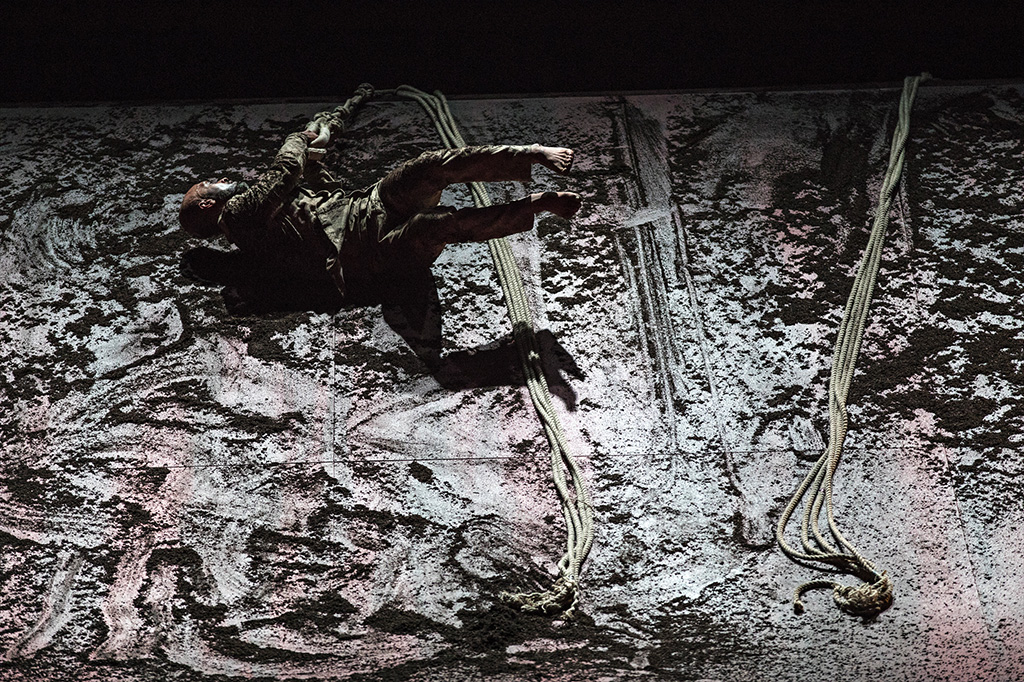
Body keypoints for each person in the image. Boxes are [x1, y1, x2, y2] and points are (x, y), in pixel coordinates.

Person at [178, 124, 582, 301]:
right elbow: (284, 171)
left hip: (365, 209)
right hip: (372, 249)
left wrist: (315, 162)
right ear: (208, 204)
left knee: (428, 168)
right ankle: (535, 202)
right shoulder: (237, 215)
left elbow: (319, 199)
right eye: (210, 183)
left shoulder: (259, 227)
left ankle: (531, 157)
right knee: (437, 221)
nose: (221, 180)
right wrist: (297, 139)